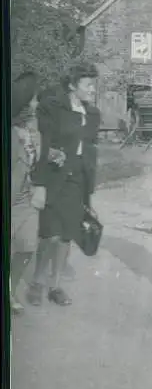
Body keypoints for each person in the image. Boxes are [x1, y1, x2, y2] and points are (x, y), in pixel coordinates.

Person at [26, 60, 101, 306]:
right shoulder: (52, 108)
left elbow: (90, 152)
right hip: (53, 177)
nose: (93, 90)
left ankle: (55, 286)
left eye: (94, 85)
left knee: (66, 235)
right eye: (88, 85)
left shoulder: (92, 114)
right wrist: (39, 183)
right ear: (72, 85)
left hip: (77, 181)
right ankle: (37, 282)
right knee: (49, 234)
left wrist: (88, 193)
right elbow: (41, 145)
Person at [11, 71, 39, 314]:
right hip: (10, 197)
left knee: (28, 246)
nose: (36, 103)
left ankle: (10, 289)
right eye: (33, 99)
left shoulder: (28, 130)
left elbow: (32, 158)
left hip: (25, 197)